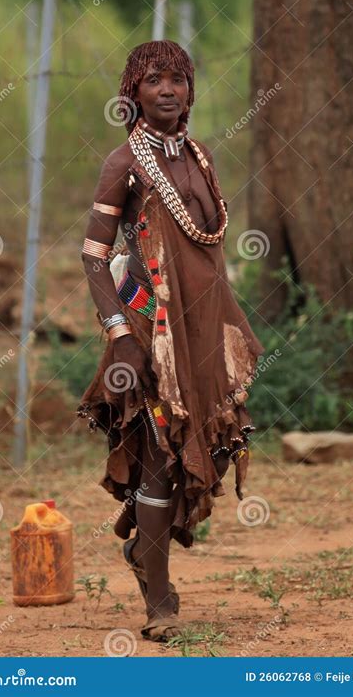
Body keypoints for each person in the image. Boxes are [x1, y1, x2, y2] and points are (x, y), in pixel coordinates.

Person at [77, 40, 264, 642]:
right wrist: (120, 335)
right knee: (161, 449)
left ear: (190, 90)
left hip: (204, 328)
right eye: (153, 79)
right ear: (132, 92)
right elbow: (94, 256)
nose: (167, 90)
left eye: (178, 79)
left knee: (206, 446)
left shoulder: (200, 157)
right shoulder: (123, 161)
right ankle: (159, 598)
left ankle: (142, 548)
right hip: (148, 329)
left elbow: (205, 249)